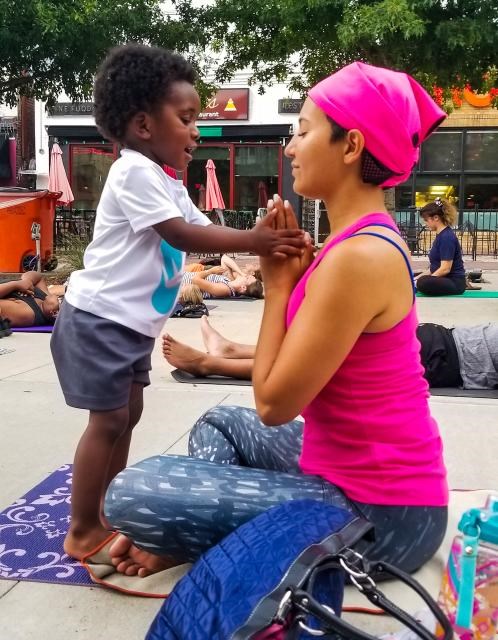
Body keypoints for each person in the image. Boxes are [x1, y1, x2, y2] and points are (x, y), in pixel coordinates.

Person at [104, 61, 449, 581]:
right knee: (219, 421)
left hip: (383, 521)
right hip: (341, 475)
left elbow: (273, 403)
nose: (289, 147)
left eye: (304, 131)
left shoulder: (360, 257)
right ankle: (199, 533)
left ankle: (195, 533)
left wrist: (279, 286)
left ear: (351, 146)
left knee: (133, 492)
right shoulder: (352, 244)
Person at [50, 44, 307, 562]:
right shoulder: (133, 171)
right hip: (98, 319)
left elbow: (204, 230)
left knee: (128, 414)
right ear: (144, 125)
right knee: (107, 421)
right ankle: (81, 529)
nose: (196, 131)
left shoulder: (166, 178)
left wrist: (258, 243)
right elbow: (179, 233)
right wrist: (254, 242)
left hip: (127, 326)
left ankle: (108, 507)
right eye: (187, 119)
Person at [162, 317, 498, 390]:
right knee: (324, 351)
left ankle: (211, 361)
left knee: (325, 361)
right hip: (439, 341)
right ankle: (230, 350)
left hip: (442, 357)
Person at [415, 198, 466, 296]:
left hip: (454, 282)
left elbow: (445, 269)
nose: (425, 223)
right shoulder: (441, 235)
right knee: (413, 276)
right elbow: (434, 267)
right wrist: (415, 278)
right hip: (444, 278)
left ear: (436, 218)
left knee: (422, 282)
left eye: (426, 220)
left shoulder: (447, 237)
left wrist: (421, 281)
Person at [181, 254, 264, 300]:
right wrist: (240, 272)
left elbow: (195, 280)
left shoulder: (225, 289)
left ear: (243, 287)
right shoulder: (228, 281)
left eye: (247, 278)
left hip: (179, 282)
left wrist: (210, 271)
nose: (245, 275)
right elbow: (224, 258)